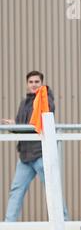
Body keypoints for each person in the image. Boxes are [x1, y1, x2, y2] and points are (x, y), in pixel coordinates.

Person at [2, 71, 69, 222]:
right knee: (16, 190)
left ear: (42, 83)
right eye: (31, 82)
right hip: (25, 156)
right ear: (27, 84)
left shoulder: (46, 100)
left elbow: (37, 125)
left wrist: (17, 125)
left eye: (36, 81)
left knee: (52, 189)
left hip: (41, 154)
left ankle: (64, 221)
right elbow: (22, 126)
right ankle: (8, 225)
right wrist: (14, 125)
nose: (33, 84)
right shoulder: (24, 102)